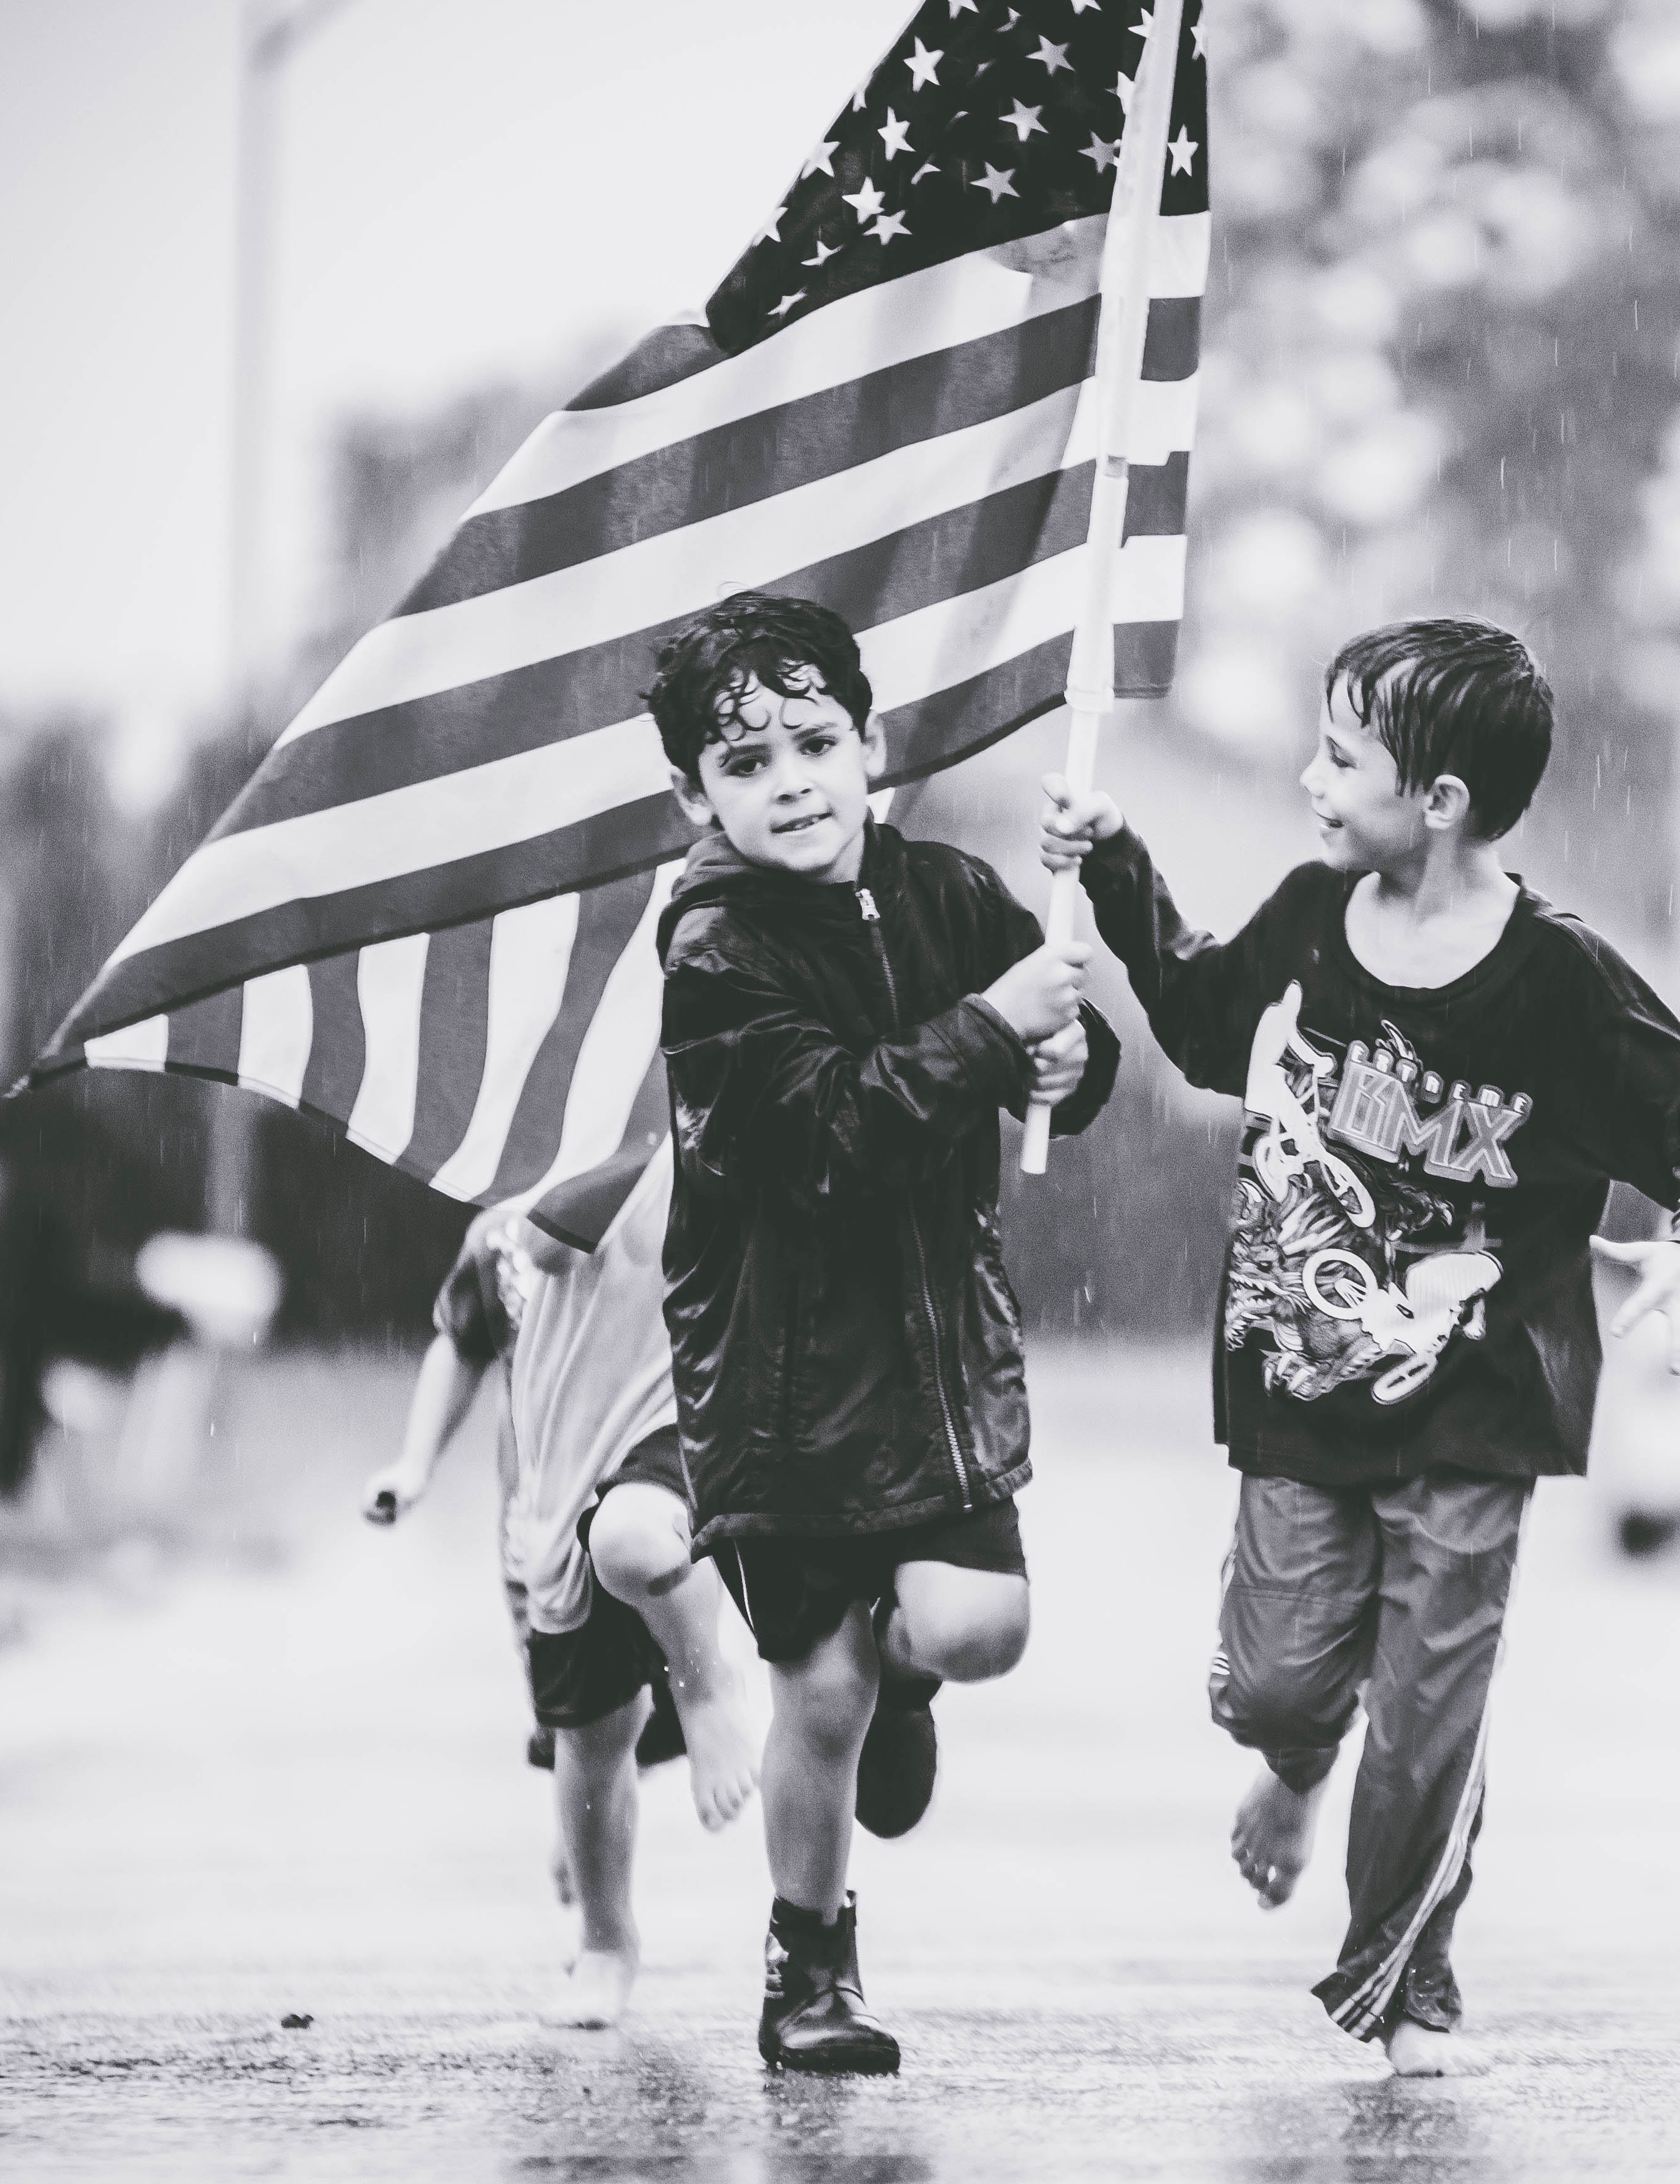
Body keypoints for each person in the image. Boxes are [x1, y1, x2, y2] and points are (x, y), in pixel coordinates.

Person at [1040, 617, 1680, 2077]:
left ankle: (1409, 1979)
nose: (1312, 779)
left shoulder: (1563, 982)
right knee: (1274, 1688)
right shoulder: (1314, 920)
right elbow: (1200, 1019)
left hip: (1478, 1405)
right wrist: (1117, 867)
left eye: (1341, 754)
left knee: (1432, 1713)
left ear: (1439, 800)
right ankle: (1300, 1766)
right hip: (1298, 1389)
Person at [648, 591, 1118, 2075]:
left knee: (976, 1627)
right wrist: (988, 1030)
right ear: (696, 797)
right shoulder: (714, 956)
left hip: (935, 1367)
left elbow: (1060, 1081)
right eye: (746, 762)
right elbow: (827, 1135)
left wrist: (1068, 1054)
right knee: (821, 1689)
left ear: (874, 749)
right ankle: (810, 1966)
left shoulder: (954, 897)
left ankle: (910, 1675)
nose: (789, 779)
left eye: (814, 741)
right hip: (783, 1390)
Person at [361, 1140, 761, 2029]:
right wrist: (416, 1461)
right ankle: (606, 1932)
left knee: (637, 1544)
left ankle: (704, 1684)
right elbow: (457, 1347)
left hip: (664, 1444)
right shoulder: (497, 1240)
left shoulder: (678, 1184)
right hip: (542, 1504)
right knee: (586, 1731)